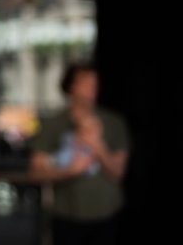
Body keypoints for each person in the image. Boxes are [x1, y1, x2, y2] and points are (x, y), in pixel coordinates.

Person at [29, 62, 129, 245]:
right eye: (87, 82)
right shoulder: (54, 123)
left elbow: (118, 172)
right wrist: (70, 171)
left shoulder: (113, 122)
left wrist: (97, 145)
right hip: (67, 216)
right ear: (72, 86)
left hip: (107, 214)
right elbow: (36, 172)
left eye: (95, 82)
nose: (93, 87)